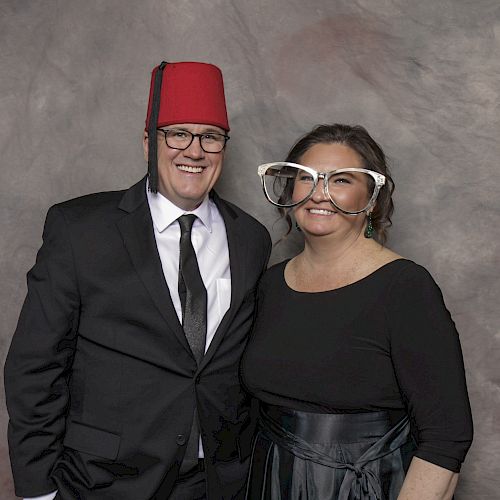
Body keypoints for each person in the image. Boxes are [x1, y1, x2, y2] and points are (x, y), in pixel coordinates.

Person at [4, 61, 271, 500]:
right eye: (178, 134)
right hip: (100, 482)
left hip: (216, 484)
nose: (195, 150)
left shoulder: (250, 238)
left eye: (210, 136)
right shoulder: (81, 228)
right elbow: (35, 366)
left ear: (224, 146)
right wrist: (37, 490)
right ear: (149, 141)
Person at [241, 124, 473, 499]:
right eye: (306, 177)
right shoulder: (268, 285)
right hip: (269, 481)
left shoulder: (405, 287)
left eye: (342, 180)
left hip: (368, 487)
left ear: (372, 197)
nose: (320, 193)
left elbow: (446, 436)